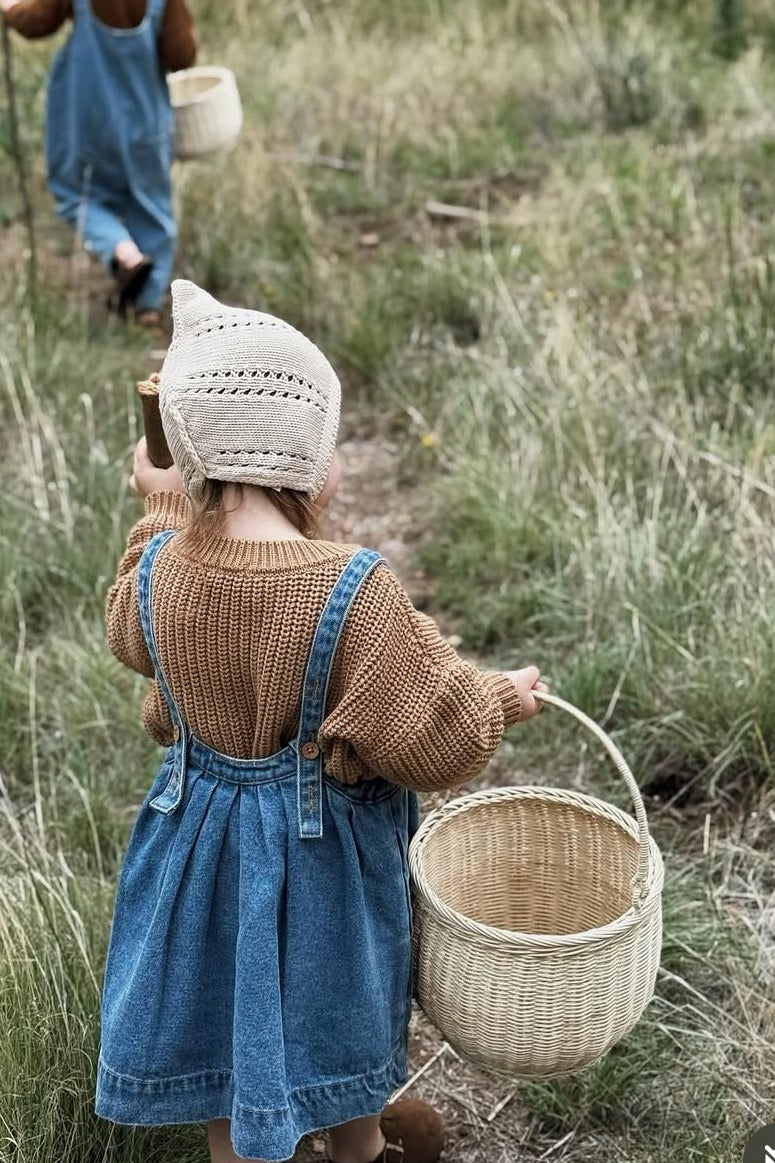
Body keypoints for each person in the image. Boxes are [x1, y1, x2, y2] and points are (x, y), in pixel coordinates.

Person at [98, 278, 548, 1163]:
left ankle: (248, 1147)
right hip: (319, 860)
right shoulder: (352, 585)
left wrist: (158, 505)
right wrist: (500, 698)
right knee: (335, 999)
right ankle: (361, 1143)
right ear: (306, 460)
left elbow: (130, 634)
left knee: (224, 1021)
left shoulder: (159, 571)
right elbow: (430, 729)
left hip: (198, 850)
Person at [0, 0, 196, 326]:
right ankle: (147, 306)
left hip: (86, 120)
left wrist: (9, 10)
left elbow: (36, 22)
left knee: (75, 194)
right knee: (152, 206)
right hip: (145, 123)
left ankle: (123, 252)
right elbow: (181, 56)